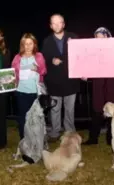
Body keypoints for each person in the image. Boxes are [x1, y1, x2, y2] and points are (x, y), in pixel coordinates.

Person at [82, 27, 114, 145]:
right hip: (99, 83)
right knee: (97, 109)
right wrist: (85, 75)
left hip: (113, 84)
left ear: (108, 36)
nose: (100, 40)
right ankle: (93, 138)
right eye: (97, 38)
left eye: (103, 37)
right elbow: (88, 65)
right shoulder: (93, 52)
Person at [41, 14, 79, 142]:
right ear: (51, 26)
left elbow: (81, 56)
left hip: (71, 81)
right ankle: (55, 132)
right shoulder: (46, 41)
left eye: (59, 23)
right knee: (55, 109)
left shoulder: (73, 37)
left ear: (64, 24)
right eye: (54, 23)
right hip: (54, 82)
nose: (57, 25)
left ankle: (70, 132)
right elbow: (43, 59)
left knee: (69, 110)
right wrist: (51, 60)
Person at [11, 33, 47, 139]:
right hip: (21, 92)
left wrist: (38, 69)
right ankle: (24, 140)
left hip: (35, 92)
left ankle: (36, 140)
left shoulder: (39, 56)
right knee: (23, 118)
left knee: (36, 118)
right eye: (25, 44)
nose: (28, 46)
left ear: (34, 44)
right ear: (22, 45)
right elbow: (12, 72)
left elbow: (44, 71)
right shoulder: (17, 57)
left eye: (30, 43)